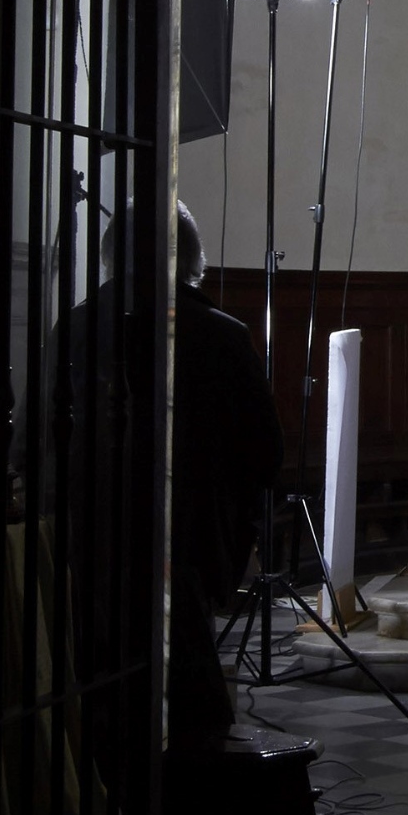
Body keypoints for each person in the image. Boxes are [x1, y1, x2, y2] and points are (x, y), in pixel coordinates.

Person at [168, 202, 284, 742]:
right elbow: (266, 453)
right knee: (194, 699)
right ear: (195, 262)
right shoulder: (225, 336)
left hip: (90, 545)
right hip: (194, 536)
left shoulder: (76, 325)